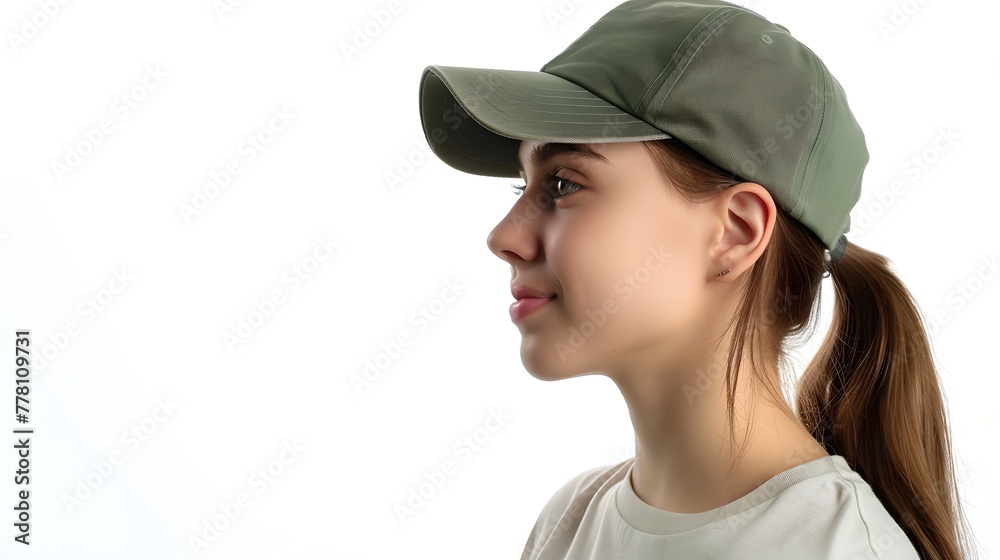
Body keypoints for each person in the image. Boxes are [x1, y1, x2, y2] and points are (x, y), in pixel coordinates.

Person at [417, 1, 975, 558]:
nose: (503, 236)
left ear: (734, 232)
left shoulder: (840, 548)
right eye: (522, 186)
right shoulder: (568, 524)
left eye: (563, 184)